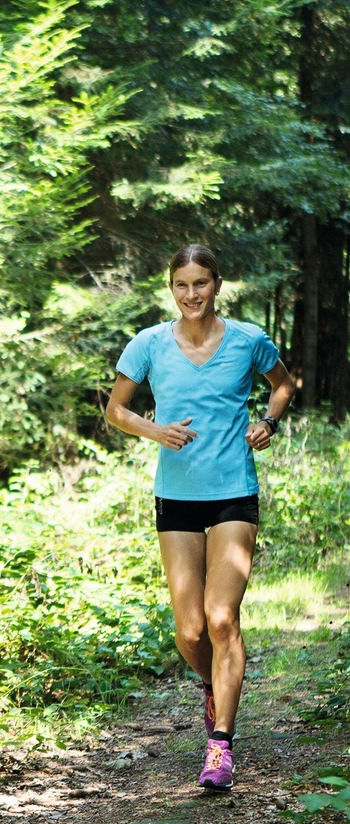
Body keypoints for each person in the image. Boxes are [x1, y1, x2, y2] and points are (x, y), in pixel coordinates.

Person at [106, 244, 294, 791]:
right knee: (189, 631)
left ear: (218, 284)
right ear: (172, 288)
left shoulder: (247, 341)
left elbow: (283, 385)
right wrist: (155, 430)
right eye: (182, 285)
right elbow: (116, 410)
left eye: (202, 284)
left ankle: (220, 746)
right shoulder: (148, 345)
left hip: (234, 489)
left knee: (220, 617)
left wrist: (269, 421)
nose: (192, 295)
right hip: (177, 496)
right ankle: (215, 684)